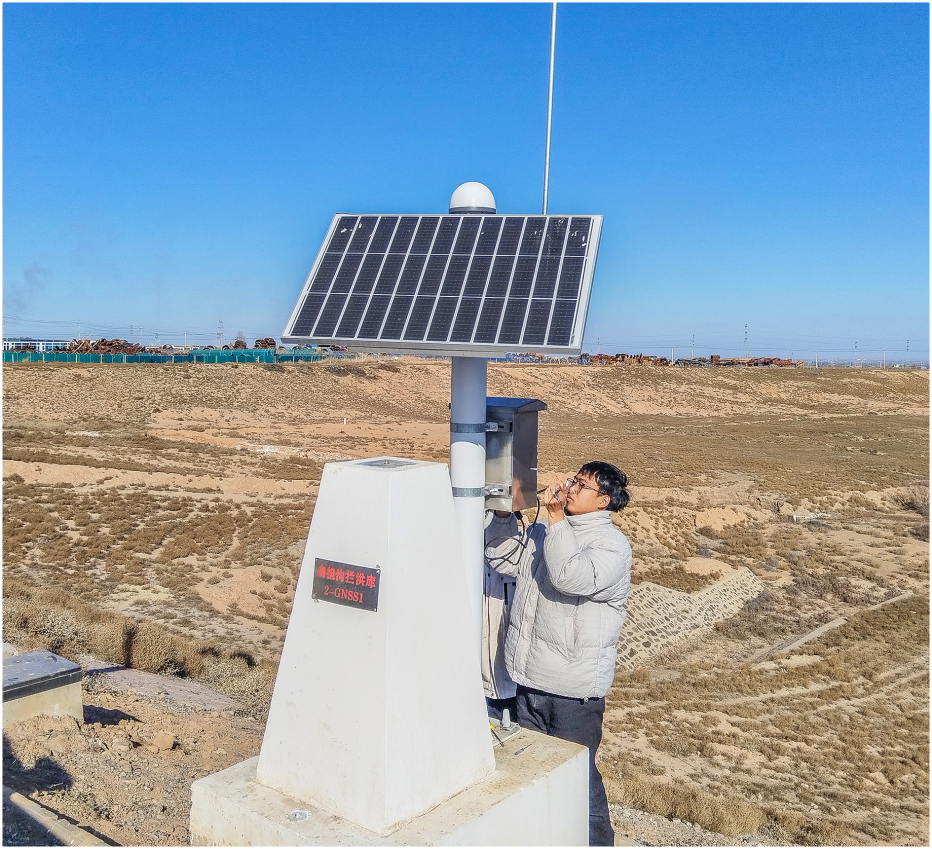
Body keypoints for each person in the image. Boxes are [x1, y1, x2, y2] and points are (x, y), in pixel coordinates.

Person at [484, 461, 631, 847]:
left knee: (579, 783)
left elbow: (569, 576)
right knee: (532, 777)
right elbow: (501, 560)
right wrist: (503, 517)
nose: (569, 488)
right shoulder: (544, 530)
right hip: (529, 682)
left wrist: (554, 520)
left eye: (581, 486)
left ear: (604, 502)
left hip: (572, 695)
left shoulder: (611, 547)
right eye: (572, 481)